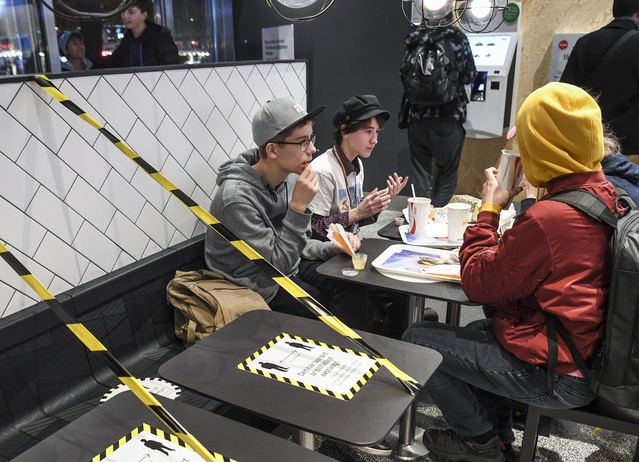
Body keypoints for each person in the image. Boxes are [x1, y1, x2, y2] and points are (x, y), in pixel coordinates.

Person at [403, 82, 619, 462]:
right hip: (584, 356)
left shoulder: (550, 217)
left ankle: (480, 445)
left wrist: (488, 209)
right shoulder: (605, 194)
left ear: (544, 145)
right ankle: (500, 440)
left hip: (557, 375)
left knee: (417, 339)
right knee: (479, 329)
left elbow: (478, 282)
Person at [204, 98, 368, 330]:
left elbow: (295, 242)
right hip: (256, 285)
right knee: (331, 318)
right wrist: (298, 207)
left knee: (354, 286)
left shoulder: (290, 177)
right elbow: (277, 264)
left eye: (311, 138)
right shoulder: (236, 198)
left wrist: (330, 248)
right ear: (272, 149)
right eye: (302, 142)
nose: (312, 149)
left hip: (290, 266)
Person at [560, 0, 639, 155]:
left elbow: (567, 87)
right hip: (625, 136)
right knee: (616, 177)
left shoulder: (585, 42)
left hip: (588, 130)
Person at [309, 95, 408, 241]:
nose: (375, 140)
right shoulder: (323, 170)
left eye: (377, 132)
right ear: (345, 131)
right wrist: (357, 212)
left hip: (350, 245)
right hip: (327, 254)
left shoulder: (357, 164)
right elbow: (314, 229)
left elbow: (356, 220)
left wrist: (378, 203)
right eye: (368, 131)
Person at [398, 23, 477, 207]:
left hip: (417, 118)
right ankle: (436, 220)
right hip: (448, 117)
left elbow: (403, 74)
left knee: (421, 175)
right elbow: (470, 74)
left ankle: (420, 222)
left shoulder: (414, 39)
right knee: (447, 175)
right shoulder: (457, 38)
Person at [100, 0, 180, 68]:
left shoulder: (161, 38)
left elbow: (172, 71)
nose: (124, 16)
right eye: (123, 12)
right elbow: (112, 63)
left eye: (131, 12)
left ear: (144, 15)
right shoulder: (127, 40)